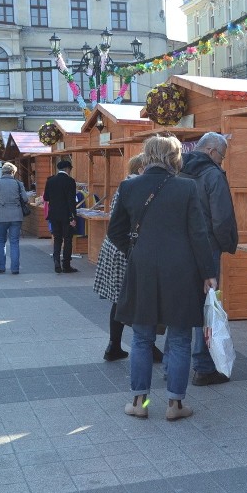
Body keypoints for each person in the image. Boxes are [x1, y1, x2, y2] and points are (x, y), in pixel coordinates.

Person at [108, 135, 217, 421]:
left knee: (142, 338)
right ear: (174, 157)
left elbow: (114, 231)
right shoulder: (187, 187)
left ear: (146, 155)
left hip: (141, 268)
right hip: (181, 270)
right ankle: (175, 406)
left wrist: (135, 251)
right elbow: (199, 234)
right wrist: (209, 273)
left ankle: (140, 403)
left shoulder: (129, 186)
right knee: (180, 339)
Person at [180, 132, 239, 386]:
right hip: (207, 248)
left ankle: (176, 366)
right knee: (208, 306)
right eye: (222, 156)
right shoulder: (213, 175)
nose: (222, 162)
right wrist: (227, 244)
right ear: (212, 151)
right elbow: (222, 218)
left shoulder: (178, 170)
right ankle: (203, 367)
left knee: (181, 305)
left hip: (180, 247)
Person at [95, 154, 148, 362]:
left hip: (115, 247)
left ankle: (114, 346)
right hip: (124, 249)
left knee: (120, 300)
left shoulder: (126, 184)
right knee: (128, 300)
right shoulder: (134, 186)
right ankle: (143, 345)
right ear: (141, 168)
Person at [0, 162, 28, 275]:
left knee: (1, 241)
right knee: (14, 242)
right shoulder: (18, 183)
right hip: (16, 215)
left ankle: (1, 267)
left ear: (3, 172)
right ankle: (15, 268)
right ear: (13, 172)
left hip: (0, 216)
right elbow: (25, 199)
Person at [44, 159, 79, 273]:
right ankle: (66, 265)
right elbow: (71, 201)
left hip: (54, 214)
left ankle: (56, 262)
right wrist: (73, 217)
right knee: (68, 239)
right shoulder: (70, 181)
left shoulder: (50, 180)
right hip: (66, 215)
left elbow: (46, 198)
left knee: (57, 238)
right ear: (68, 169)